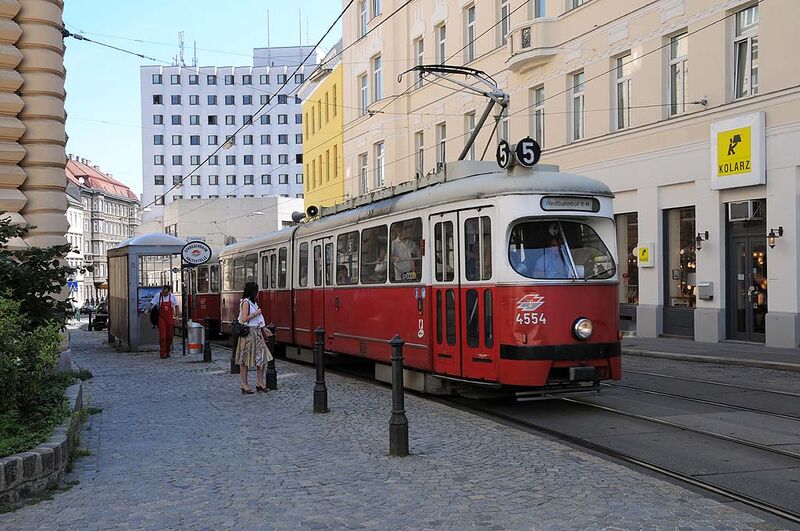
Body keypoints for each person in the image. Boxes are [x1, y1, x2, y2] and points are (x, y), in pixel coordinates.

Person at [236, 281, 272, 394]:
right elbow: (244, 318)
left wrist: (264, 328)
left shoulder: (254, 303)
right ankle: (244, 385)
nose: (258, 294)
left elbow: (259, 318)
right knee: (245, 360)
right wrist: (256, 313)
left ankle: (260, 383)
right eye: (256, 291)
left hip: (257, 332)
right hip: (248, 333)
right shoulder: (245, 302)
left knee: (261, 358)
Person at [148, 284, 179, 359]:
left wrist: (177, 317)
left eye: (165, 292)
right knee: (162, 336)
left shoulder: (172, 297)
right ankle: (163, 353)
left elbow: (176, 306)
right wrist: (149, 309)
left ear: (169, 291)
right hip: (161, 319)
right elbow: (152, 303)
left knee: (170, 336)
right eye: (162, 292)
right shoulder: (158, 296)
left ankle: (168, 351)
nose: (163, 293)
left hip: (170, 319)